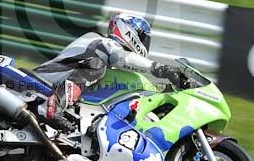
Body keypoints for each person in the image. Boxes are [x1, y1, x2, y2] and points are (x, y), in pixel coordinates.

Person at [32, 12, 188, 131]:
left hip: (53, 85)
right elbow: (121, 57)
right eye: (144, 39)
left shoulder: (108, 58)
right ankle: (52, 107)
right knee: (96, 65)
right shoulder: (102, 42)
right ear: (132, 32)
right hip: (43, 81)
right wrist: (162, 69)